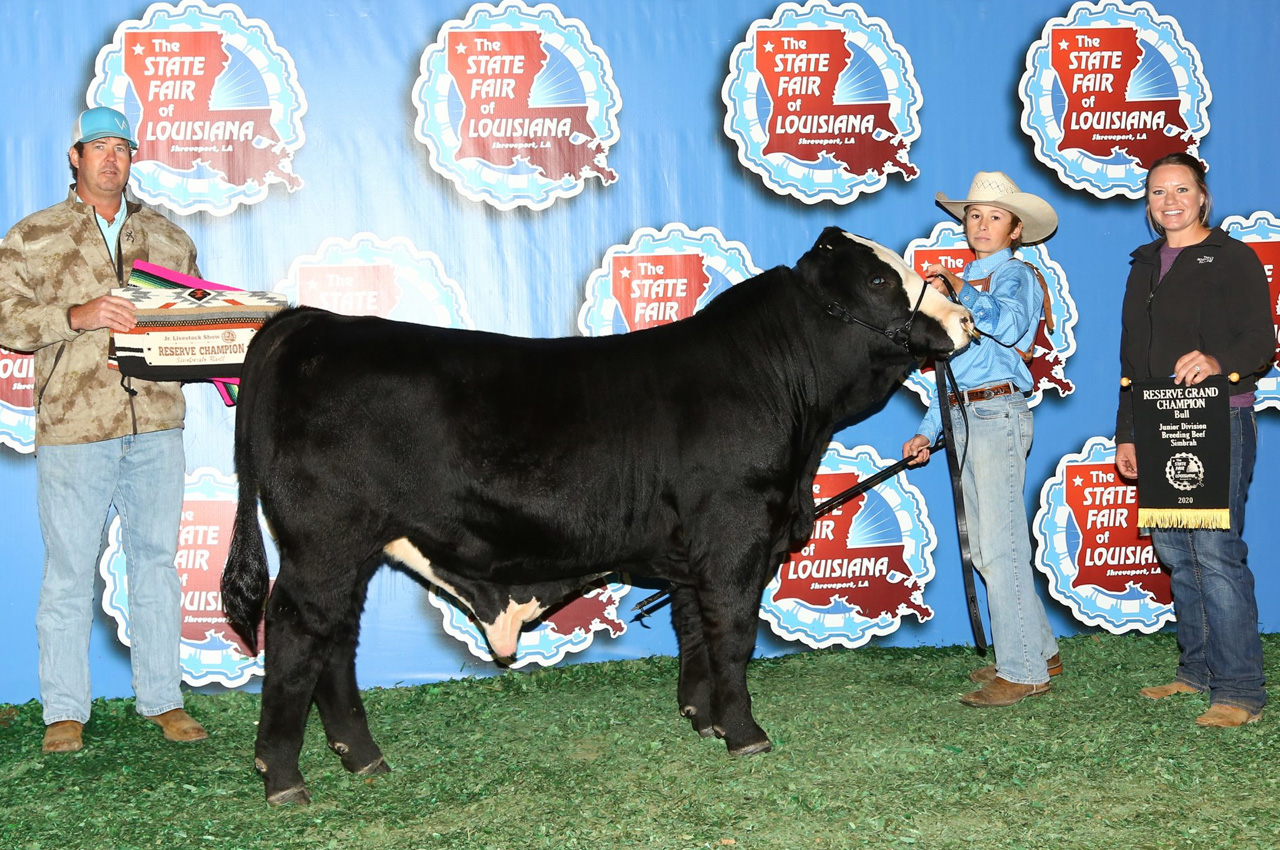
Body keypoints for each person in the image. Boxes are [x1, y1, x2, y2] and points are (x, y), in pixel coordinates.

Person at [0, 107, 208, 753]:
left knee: (156, 566)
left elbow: (195, 328)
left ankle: (164, 700)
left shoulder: (170, 239)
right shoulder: (33, 236)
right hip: (74, 428)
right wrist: (77, 314)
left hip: (157, 427)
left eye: (121, 146)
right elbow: (6, 320)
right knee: (68, 573)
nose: (110, 157)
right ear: (76, 156)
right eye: (98, 146)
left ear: (132, 156)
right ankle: (64, 710)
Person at [1113, 152, 1272, 728]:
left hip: (1219, 417)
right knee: (1177, 552)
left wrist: (1218, 360)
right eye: (1158, 192)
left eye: (1181, 189)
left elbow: (1261, 341)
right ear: (1148, 203)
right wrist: (1127, 433)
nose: (1170, 201)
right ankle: (1196, 671)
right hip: (1159, 420)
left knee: (1215, 552)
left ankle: (1240, 690)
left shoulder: (1233, 257)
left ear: (1203, 196)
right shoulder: (1143, 263)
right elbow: (1132, 360)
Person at [903, 171, 1061, 707]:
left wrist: (962, 290)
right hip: (966, 413)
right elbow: (951, 368)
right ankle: (1041, 651)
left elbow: (1013, 328)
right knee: (993, 546)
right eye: (974, 215)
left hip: (996, 412)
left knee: (998, 547)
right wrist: (927, 431)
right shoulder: (963, 282)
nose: (982, 224)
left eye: (995, 217)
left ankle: (1023, 671)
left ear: (1016, 230)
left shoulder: (1015, 274)